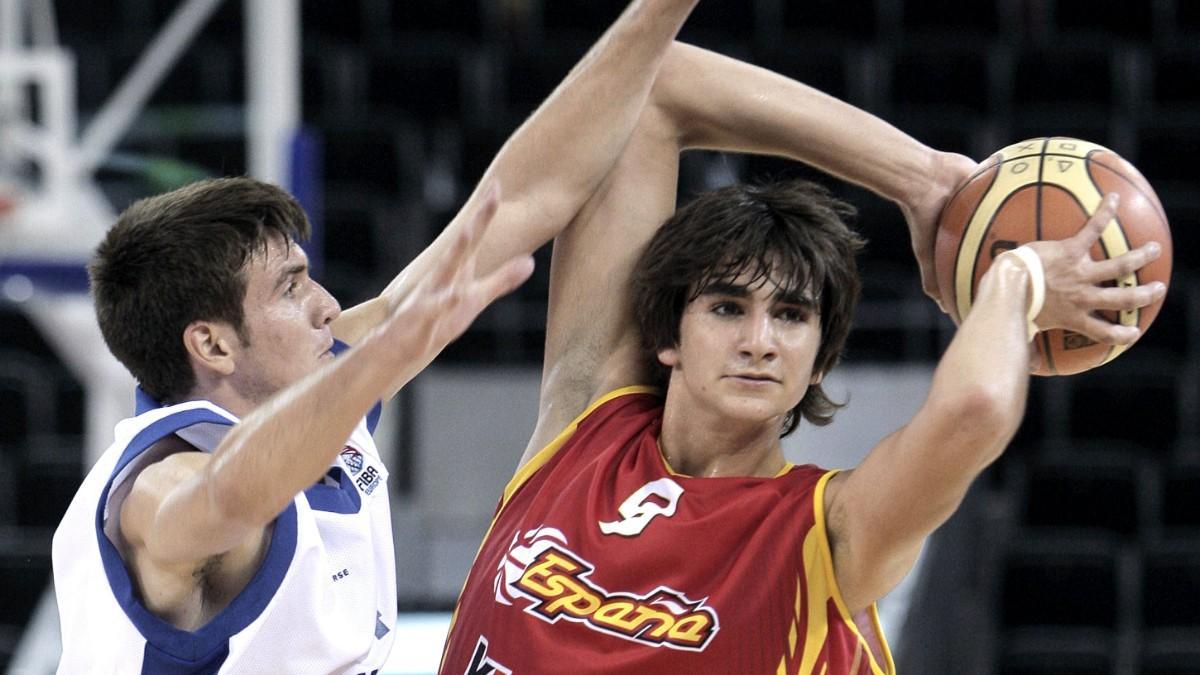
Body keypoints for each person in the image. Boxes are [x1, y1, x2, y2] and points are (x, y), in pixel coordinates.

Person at [438, 15, 1166, 675]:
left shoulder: (825, 531)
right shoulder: (584, 432)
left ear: (820, 356)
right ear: (667, 334)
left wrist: (1016, 278)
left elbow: (974, 408)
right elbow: (652, 83)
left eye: (790, 316)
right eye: (727, 306)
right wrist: (920, 177)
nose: (759, 340)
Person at [51, 1, 702, 671]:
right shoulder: (155, 489)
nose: (329, 307)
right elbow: (227, 494)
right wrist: (383, 355)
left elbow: (528, 195)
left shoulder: (308, 381)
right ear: (212, 345)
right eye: (291, 287)